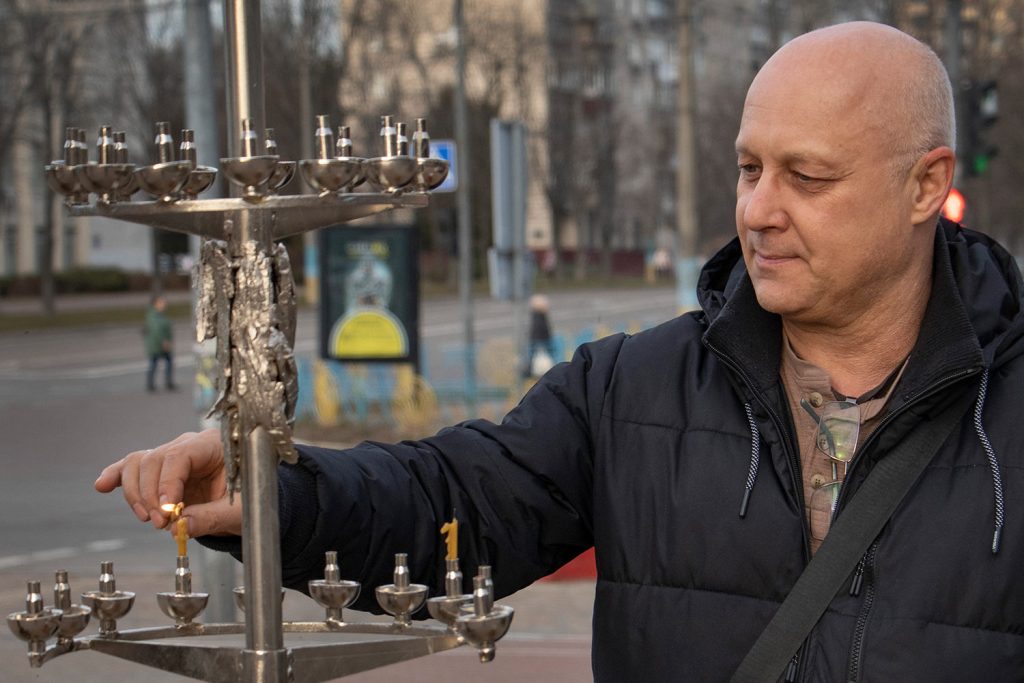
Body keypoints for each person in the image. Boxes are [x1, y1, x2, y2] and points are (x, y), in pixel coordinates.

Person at [95, 22, 1024, 680]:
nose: (757, 209)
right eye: (748, 168)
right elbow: (450, 508)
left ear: (924, 186)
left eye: (806, 176)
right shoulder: (632, 390)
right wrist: (274, 492)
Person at [143, 295, 176, 392]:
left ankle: (168, 382)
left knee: (167, 362)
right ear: (155, 304)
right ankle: (151, 384)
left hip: (160, 344)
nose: (164, 304)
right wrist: (164, 342)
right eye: (161, 302)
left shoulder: (161, 314)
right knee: (153, 363)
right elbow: (156, 330)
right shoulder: (153, 316)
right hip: (156, 345)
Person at [525, 293, 555, 378]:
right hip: (542, 343)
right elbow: (542, 332)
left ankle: (530, 372)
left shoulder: (536, 317)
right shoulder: (540, 318)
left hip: (538, 342)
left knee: (533, 362)